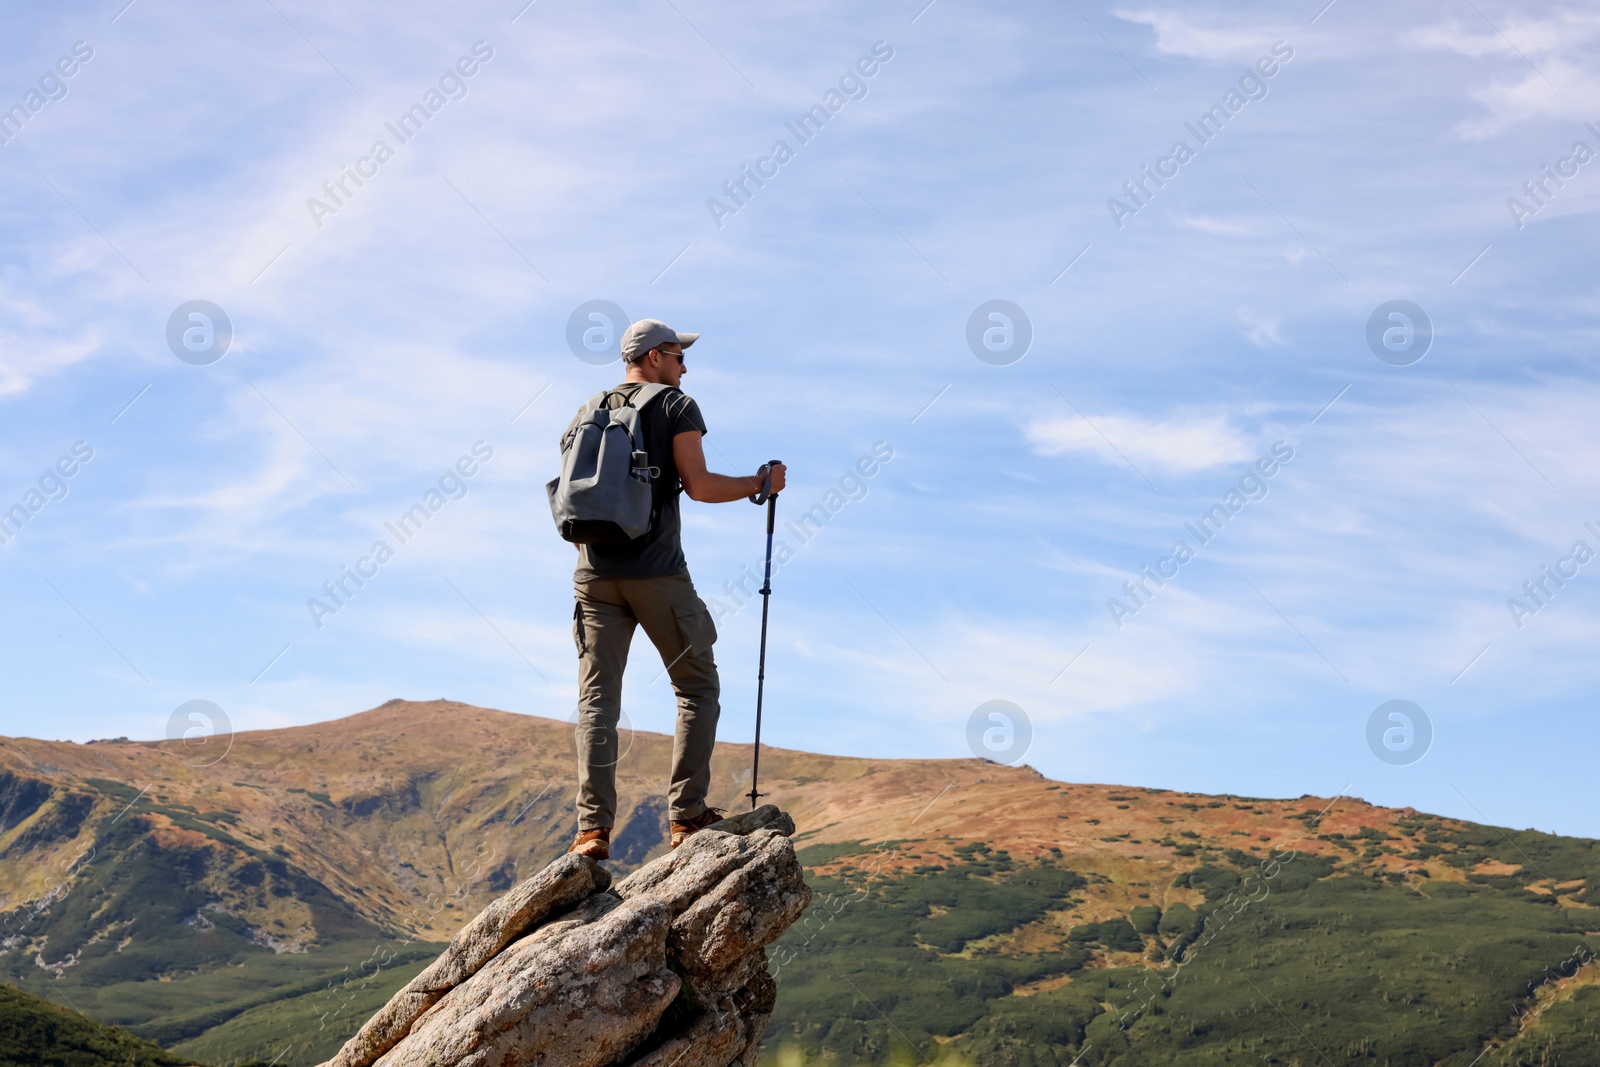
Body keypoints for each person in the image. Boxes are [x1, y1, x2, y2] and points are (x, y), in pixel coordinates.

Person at [564, 318, 786, 861]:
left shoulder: (587, 408)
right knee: (696, 688)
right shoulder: (675, 406)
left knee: (597, 703)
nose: (685, 366)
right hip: (657, 571)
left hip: (593, 575)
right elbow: (701, 486)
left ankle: (592, 832)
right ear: (657, 356)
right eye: (679, 356)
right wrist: (761, 484)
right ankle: (687, 817)